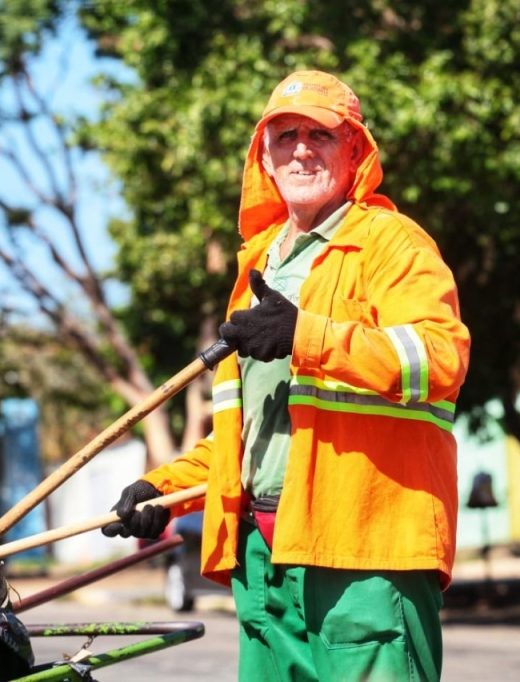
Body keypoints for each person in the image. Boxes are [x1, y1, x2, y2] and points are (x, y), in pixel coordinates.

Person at [102, 70, 470, 681]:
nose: (301, 150)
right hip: (265, 561)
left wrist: (306, 335)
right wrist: (165, 492)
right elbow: (249, 437)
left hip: (366, 556)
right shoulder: (259, 267)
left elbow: (440, 358)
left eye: (320, 135)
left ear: (354, 150)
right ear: (264, 159)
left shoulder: (392, 245)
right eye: (285, 136)